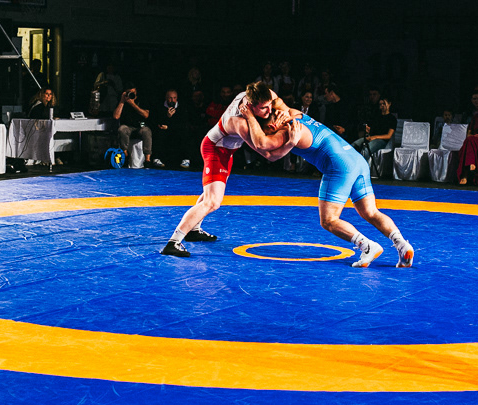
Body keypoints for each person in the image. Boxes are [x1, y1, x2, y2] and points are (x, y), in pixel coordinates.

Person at [237, 99, 415, 269]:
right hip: (357, 160)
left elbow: (265, 148)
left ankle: (367, 246)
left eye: (266, 131)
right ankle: (402, 244)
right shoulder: (295, 113)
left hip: (339, 166)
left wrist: (250, 117)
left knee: (329, 220)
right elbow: (272, 96)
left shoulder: (286, 131)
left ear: (270, 126)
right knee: (371, 212)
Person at [161, 82, 296, 258]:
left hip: (227, 151)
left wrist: (284, 112)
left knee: (209, 195)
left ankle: (193, 230)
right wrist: (291, 143)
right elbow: (266, 152)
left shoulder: (258, 94)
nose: (270, 111)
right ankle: (173, 242)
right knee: (213, 201)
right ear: (250, 106)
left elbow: (278, 102)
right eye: (264, 108)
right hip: (215, 149)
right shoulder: (238, 121)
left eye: (270, 105)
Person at [152, 88, 197, 169]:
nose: (172, 100)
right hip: (164, 131)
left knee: (185, 133)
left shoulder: (182, 107)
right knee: (159, 133)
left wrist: (169, 126)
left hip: (177, 130)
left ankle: (186, 159)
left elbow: (183, 123)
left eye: (174, 98)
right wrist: (167, 116)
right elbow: (158, 122)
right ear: (166, 98)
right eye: (170, 98)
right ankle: (157, 158)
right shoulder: (160, 107)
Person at [113, 84, 153, 167]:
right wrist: (122, 101)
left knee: (146, 131)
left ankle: (147, 160)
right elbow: (116, 116)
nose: (131, 94)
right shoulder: (122, 101)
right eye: (129, 92)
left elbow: (146, 115)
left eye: (133, 92)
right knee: (122, 129)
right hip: (127, 127)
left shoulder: (141, 100)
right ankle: (125, 155)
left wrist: (133, 104)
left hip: (139, 127)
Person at [352, 95, 397, 164]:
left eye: (384, 104)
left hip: (381, 140)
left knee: (366, 150)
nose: (382, 106)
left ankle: (361, 166)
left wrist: (375, 137)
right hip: (371, 137)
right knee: (354, 145)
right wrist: (367, 130)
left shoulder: (392, 119)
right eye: (380, 104)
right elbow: (371, 129)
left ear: (389, 104)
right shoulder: (376, 116)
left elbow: (388, 136)